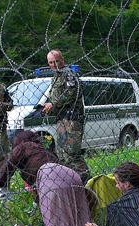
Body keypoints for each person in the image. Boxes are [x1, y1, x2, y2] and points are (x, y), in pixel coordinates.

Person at [0, 130, 108, 226]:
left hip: (51, 180)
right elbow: (43, 186)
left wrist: (0, 183)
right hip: (72, 176)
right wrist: (36, 204)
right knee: (83, 221)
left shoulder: (22, 147)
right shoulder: (45, 150)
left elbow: (8, 166)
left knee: (59, 225)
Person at [42, 49, 90, 184]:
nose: (54, 65)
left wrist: (53, 104)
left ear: (62, 60)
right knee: (63, 155)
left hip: (72, 120)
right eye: (51, 62)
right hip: (61, 120)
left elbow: (71, 94)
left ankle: (87, 183)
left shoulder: (69, 75)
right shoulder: (56, 77)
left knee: (72, 155)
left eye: (56, 61)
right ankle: (73, 182)